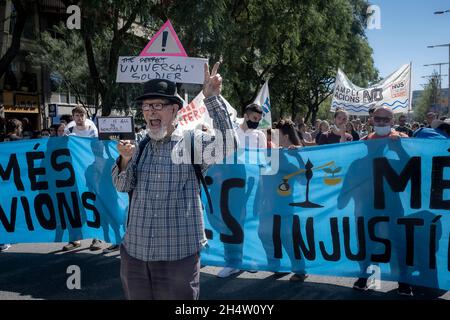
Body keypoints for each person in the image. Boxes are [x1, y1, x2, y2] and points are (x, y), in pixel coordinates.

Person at [112, 63, 237, 299]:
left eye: (158, 105)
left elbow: (228, 144)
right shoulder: (139, 145)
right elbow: (121, 185)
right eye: (146, 106)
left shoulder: (192, 143)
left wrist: (211, 99)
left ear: (175, 109)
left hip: (178, 255)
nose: (150, 112)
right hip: (135, 253)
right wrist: (125, 160)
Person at [216, 102, 266, 278]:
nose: (256, 122)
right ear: (246, 115)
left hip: (251, 184)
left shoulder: (260, 135)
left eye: (259, 119)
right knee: (230, 222)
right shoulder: (231, 132)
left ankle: (249, 259)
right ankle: (232, 262)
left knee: (249, 221)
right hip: (230, 182)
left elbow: (266, 161)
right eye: (254, 118)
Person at [62, 106, 103, 252]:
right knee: (75, 203)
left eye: (81, 115)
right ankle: (75, 239)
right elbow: (63, 147)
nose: (79, 118)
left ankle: (96, 237)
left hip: (90, 171)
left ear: (85, 116)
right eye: (76, 115)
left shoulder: (92, 128)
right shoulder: (70, 128)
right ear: (73, 117)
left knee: (92, 201)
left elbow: (97, 148)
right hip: (74, 171)